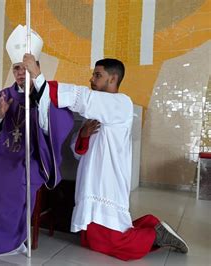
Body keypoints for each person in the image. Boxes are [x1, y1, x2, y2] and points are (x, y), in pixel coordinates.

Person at [23, 55, 189, 261]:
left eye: (97, 75)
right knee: (89, 240)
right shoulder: (96, 111)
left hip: (106, 183)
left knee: (116, 245)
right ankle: (149, 222)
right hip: (90, 181)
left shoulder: (121, 103)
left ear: (112, 79)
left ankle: (155, 233)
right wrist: (82, 136)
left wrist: (39, 78)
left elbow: (83, 98)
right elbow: (77, 149)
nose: (91, 79)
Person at [0, 25, 74, 256]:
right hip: (3, 154)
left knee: (16, 179)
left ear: (36, 67)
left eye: (26, 67)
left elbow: (55, 126)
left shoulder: (48, 94)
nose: (21, 72)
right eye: (17, 68)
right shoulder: (3, 96)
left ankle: (12, 237)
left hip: (32, 156)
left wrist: (39, 99)